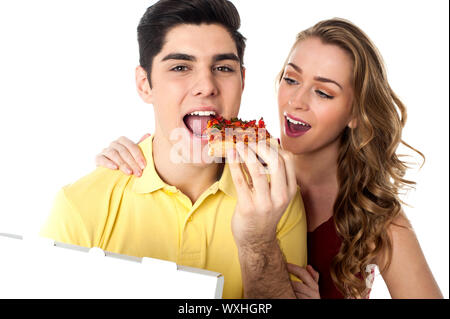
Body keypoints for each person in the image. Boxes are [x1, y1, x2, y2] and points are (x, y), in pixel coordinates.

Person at [97, 18, 443, 298]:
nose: (296, 101)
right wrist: (131, 159)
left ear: (355, 113)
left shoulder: (379, 218)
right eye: (291, 79)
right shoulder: (239, 157)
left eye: (323, 92)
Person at [40, 0, 308, 299]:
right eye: (181, 67)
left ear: (242, 81)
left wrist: (258, 242)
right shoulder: (79, 205)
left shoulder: (275, 194)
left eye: (223, 68)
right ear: (145, 84)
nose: (206, 85)